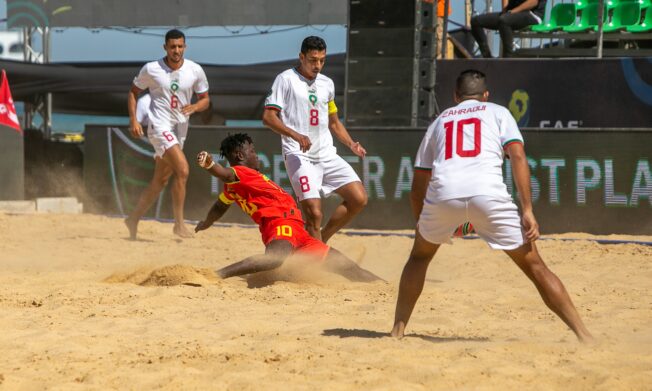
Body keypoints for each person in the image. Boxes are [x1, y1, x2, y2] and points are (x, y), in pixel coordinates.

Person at [391, 70, 593, 342]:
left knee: (419, 257)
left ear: (455, 96)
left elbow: (418, 184)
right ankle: (584, 335)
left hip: (443, 194)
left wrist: (422, 225)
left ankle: (397, 331)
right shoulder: (498, 112)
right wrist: (528, 210)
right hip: (488, 194)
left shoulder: (438, 121)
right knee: (536, 267)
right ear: (485, 96)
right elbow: (518, 156)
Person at [194, 133, 382, 283]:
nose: (256, 154)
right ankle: (217, 275)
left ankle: (383, 286)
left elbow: (220, 206)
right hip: (279, 225)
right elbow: (224, 174)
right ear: (240, 155)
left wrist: (207, 222)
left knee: (346, 266)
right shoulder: (241, 173)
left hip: (299, 233)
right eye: (252, 151)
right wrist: (209, 164)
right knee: (275, 259)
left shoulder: (237, 187)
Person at [262, 36, 367, 243]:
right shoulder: (285, 79)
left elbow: (334, 122)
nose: (317, 65)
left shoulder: (327, 84)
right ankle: (312, 264)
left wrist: (351, 144)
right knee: (314, 214)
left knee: (359, 198)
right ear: (301, 57)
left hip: (326, 154)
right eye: (312, 60)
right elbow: (268, 117)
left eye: (322, 60)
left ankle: (320, 242)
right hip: (298, 155)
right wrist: (295, 134)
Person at [125, 29, 210, 240]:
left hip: (180, 129)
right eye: (172, 46)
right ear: (165, 47)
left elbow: (205, 99)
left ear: (185, 47)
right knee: (183, 170)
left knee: (159, 181)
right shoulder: (152, 69)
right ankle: (179, 225)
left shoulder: (195, 70)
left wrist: (195, 107)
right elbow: (133, 93)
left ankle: (133, 218)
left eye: (180, 46)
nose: (176, 50)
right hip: (159, 127)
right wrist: (134, 120)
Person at [471, 0, 546, 58]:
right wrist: (505, 11)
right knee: (475, 21)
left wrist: (512, 12)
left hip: (532, 14)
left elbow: (533, 2)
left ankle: (507, 59)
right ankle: (487, 57)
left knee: (504, 20)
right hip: (511, 14)